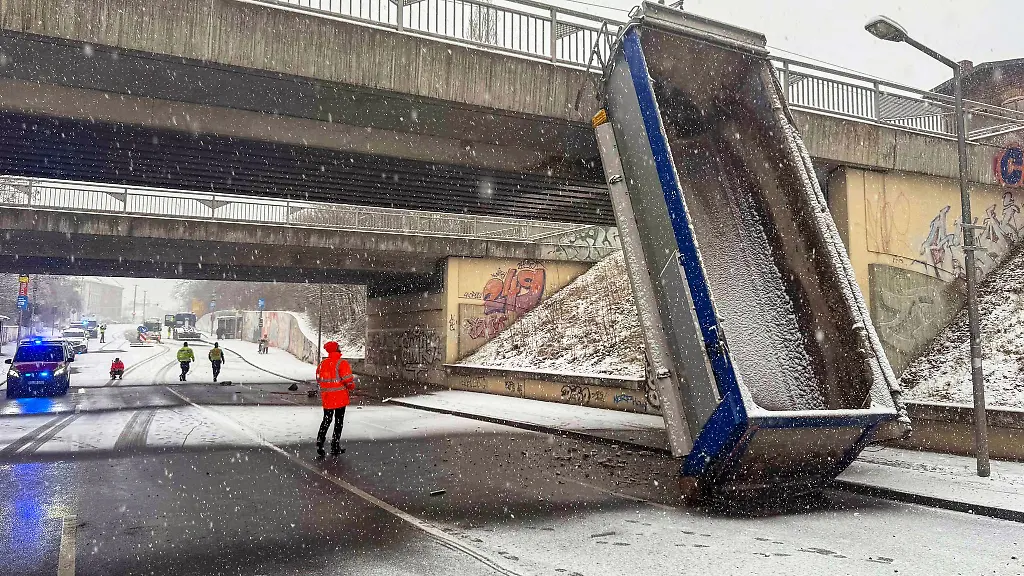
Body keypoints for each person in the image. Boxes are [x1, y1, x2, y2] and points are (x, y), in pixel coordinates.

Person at [315, 341, 355, 457]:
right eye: (338, 347)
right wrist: (351, 386)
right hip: (340, 397)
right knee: (338, 422)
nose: (339, 348)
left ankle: (320, 441)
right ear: (336, 349)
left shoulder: (322, 364)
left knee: (326, 420)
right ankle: (335, 445)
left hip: (327, 397)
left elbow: (318, 378)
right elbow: (348, 380)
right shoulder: (342, 363)